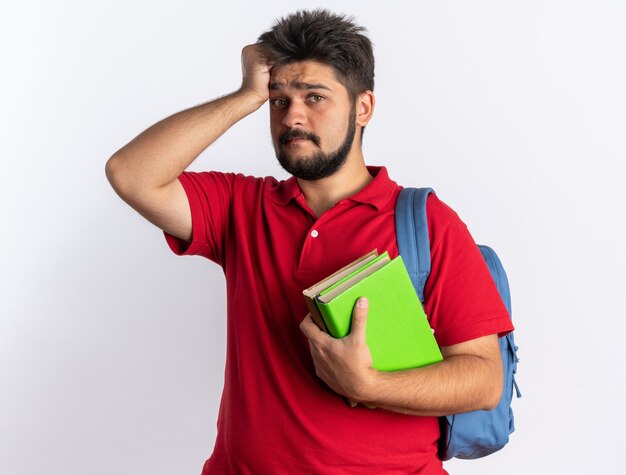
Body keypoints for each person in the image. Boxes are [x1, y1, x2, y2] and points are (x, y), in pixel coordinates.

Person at [106, 9, 514, 475]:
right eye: (280, 101)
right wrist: (247, 95)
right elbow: (131, 174)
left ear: (363, 107)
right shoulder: (243, 208)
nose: (293, 116)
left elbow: (484, 380)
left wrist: (368, 385)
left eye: (315, 97)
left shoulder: (428, 223)